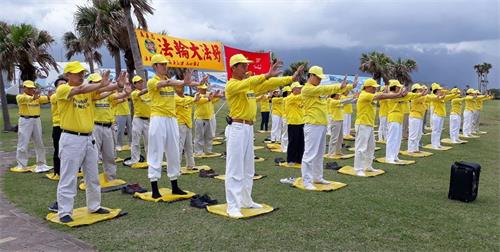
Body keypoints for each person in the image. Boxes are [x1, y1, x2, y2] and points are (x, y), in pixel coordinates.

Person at [225, 54, 303, 217]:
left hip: (247, 129)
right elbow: (254, 81)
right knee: (235, 168)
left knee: (248, 167)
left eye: (246, 65)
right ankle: (232, 205)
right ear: (234, 68)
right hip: (237, 127)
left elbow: (269, 83)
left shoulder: (248, 87)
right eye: (243, 66)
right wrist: (266, 75)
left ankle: (246, 200)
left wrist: (291, 78)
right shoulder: (232, 85)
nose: (247, 68)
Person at [56, 61, 119, 223]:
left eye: (82, 73)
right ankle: (64, 211)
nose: (81, 75)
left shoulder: (88, 92)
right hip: (71, 138)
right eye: (77, 73)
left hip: (88, 138)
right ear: (67, 75)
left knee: (92, 175)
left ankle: (94, 205)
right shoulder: (63, 89)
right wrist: (101, 84)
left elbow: (104, 90)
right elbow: (81, 89)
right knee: (69, 176)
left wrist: (116, 84)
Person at [146, 54, 199, 199]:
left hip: (171, 119)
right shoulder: (152, 81)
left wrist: (189, 82)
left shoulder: (168, 82)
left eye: (165, 64)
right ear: (155, 66)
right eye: (162, 64)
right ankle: (154, 187)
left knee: (174, 152)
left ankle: (175, 185)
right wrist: (183, 82)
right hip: (158, 118)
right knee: (156, 151)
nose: (165, 66)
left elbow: (180, 84)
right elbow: (165, 84)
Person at [300, 68, 350, 190]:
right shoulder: (307, 89)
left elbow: (324, 90)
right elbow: (323, 89)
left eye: (320, 78)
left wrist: (344, 87)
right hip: (312, 124)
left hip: (321, 124)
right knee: (310, 154)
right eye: (317, 77)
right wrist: (339, 86)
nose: (319, 80)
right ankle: (306, 181)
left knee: (319, 154)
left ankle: (317, 177)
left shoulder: (317, 90)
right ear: (310, 75)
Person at [354, 79, 407, 176]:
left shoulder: (369, 95)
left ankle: (368, 166)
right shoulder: (364, 94)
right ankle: (358, 169)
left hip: (368, 124)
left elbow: (382, 94)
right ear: (367, 87)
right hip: (362, 124)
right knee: (361, 148)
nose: (375, 89)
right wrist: (398, 95)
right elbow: (382, 96)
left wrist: (396, 94)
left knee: (371, 147)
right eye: (373, 87)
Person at [90, 73, 131, 182]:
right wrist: (116, 87)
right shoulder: (90, 95)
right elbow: (104, 93)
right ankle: (91, 179)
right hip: (95, 127)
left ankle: (111, 178)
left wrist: (125, 92)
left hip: (108, 127)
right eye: (96, 82)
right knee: (93, 155)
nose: (99, 84)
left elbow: (119, 96)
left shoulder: (107, 96)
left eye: (100, 82)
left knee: (109, 155)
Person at [14, 80, 52, 172]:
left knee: (39, 142)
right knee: (23, 142)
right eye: (29, 88)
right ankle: (21, 165)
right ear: (24, 88)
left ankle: (41, 164)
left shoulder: (37, 97)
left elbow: (46, 99)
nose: (31, 89)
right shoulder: (20, 96)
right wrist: (33, 98)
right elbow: (23, 100)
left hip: (36, 120)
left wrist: (49, 96)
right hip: (25, 120)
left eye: (32, 88)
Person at [385, 80, 423, 163]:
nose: (399, 88)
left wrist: (420, 93)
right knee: (392, 139)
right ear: (394, 87)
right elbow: (404, 95)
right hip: (393, 118)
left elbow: (409, 95)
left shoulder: (400, 95)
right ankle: (389, 157)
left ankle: (395, 156)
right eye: (398, 87)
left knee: (398, 139)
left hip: (399, 118)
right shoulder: (391, 95)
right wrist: (405, 92)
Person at [124, 75, 151, 166]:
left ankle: (150, 160)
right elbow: (141, 93)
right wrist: (151, 87)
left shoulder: (147, 94)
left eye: (141, 82)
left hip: (147, 120)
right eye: (138, 82)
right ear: (134, 84)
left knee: (149, 142)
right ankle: (135, 160)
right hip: (138, 120)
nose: (141, 83)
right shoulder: (134, 93)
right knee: (136, 141)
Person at [427, 83, 459, 149]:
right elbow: (436, 97)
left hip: (441, 116)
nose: (440, 91)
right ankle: (434, 144)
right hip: (436, 115)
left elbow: (449, 96)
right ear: (435, 91)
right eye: (439, 90)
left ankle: (437, 143)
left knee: (439, 130)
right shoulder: (433, 96)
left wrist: (454, 93)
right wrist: (442, 95)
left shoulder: (442, 98)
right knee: (435, 130)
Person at [327, 90, 357, 157]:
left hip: (340, 120)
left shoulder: (338, 100)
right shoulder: (331, 101)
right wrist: (352, 97)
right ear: (334, 95)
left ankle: (338, 152)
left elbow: (348, 101)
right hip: (335, 121)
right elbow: (343, 101)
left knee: (340, 138)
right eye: (338, 95)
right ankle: (331, 153)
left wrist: (355, 98)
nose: (339, 96)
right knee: (334, 138)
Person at [193, 83, 221, 155]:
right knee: (199, 136)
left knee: (209, 135)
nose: (204, 90)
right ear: (198, 89)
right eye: (202, 88)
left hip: (209, 117)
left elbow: (214, 100)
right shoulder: (197, 95)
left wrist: (218, 96)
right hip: (200, 118)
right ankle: (198, 151)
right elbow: (200, 101)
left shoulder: (209, 94)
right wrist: (209, 98)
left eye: (205, 88)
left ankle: (208, 150)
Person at [48, 78, 67, 178]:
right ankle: (57, 171)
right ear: (56, 88)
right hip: (58, 126)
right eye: (61, 84)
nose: (64, 86)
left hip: (68, 126)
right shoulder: (55, 96)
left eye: (65, 84)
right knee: (58, 150)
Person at [175, 86, 196, 170]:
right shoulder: (174, 98)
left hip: (188, 124)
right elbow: (183, 102)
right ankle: (176, 167)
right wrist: (194, 99)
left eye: (182, 87)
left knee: (189, 147)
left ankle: (191, 165)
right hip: (180, 124)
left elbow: (197, 100)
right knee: (179, 147)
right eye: (179, 87)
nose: (181, 89)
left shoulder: (188, 98)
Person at [284, 82, 304, 165]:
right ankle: (291, 159)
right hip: (292, 123)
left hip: (300, 122)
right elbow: (301, 97)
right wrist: (308, 92)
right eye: (298, 88)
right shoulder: (290, 98)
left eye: (300, 88)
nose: (300, 90)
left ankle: (299, 159)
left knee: (301, 142)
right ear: (294, 89)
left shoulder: (298, 98)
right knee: (293, 142)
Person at [407, 83, 429, 153]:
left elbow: (424, 97)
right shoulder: (414, 98)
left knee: (418, 134)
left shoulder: (420, 97)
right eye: (419, 90)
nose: (420, 91)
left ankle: (415, 148)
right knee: (413, 135)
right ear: (415, 90)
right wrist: (425, 91)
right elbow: (423, 97)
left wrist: (424, 91)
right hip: (414, 117)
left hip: (419, 117)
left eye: (420, 90)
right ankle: (410, 149)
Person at [280, 86, 292, 152]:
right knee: (285, 133)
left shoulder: (288, 98)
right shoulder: (285, 99)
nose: (290, 92)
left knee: (288, 133)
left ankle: (286, 146)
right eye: (289, 91)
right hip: (285, 117)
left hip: (289, 117)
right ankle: (284, 147)